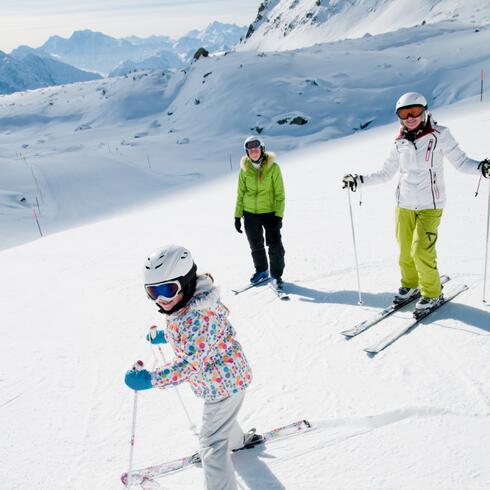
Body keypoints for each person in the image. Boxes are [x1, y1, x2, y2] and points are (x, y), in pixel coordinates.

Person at [124, 244, 261, 490]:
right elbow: (189, 332)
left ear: (186, 283)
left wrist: (150, 380)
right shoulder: (192, 304)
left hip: (223, 384)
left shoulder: (198, 315)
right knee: (221, 420)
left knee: (211, 444)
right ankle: (237, 441)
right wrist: (165, 336)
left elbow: (189, 363)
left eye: (168, 289)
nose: (162, 299)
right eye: (153, 292)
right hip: (225, 380)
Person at [342, 92, 489, 312]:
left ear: (424, 111)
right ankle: (411, 285)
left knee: (421, 250)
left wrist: (481, 167)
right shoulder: (399, 141)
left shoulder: (440, 135)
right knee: (404, 251)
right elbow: (386, 172)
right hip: (404, 204)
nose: (410, 117)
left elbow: (460, 162)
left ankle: (433, 292)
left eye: (415, 112)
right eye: (404, 113)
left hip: (431, 204)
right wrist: (359, 180)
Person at [234, 135, 286, 289]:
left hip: (269, 212)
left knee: (275, 245)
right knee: (256, 246)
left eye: (256, 149)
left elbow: (280, 194)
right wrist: (237, 216)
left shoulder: (273, 168)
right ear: (247, 153)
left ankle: (277, 275)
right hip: (250, 214)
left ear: (262, 150)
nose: (254, 152)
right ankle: (262, 271)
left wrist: (279, 216)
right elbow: (240, 193)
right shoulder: (244, 170)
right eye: (250, 150)